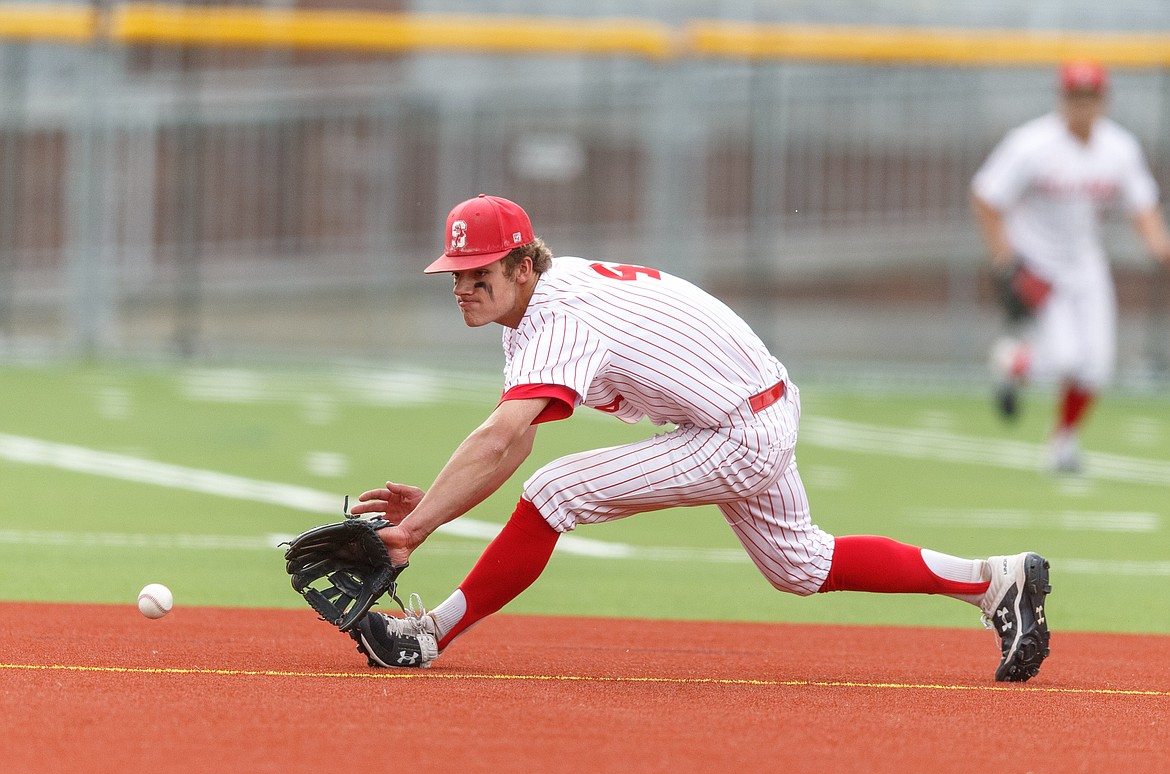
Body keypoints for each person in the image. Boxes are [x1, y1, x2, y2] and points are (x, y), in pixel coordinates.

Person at [346, 193, 1052, 681]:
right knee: (799, 567)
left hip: (740, 426)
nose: (462, 286)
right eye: (455, 275)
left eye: (479, 273)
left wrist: (418, 529)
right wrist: (438, 502)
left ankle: (429, 634)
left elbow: (503, 437)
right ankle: (997, 583)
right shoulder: (543, 302)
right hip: (749, 405)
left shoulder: (557, 317)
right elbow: (517, 436)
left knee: (554, 493)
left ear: (523, 265)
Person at [972, 59, 1170, 472]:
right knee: (1065, 360)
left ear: (1103, 101)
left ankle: (1062, 442)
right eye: (1075, 97)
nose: (1082, 106)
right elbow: (987, 196)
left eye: (1090, 97)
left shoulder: (1118, 147)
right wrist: (1005, 261)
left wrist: (1158, 245)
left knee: (1096, 366)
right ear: (1061, 99)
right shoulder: (1031, 143)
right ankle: (1017, 363)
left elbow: (1143, 204)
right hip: (1039, 264)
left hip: (1085, 263)